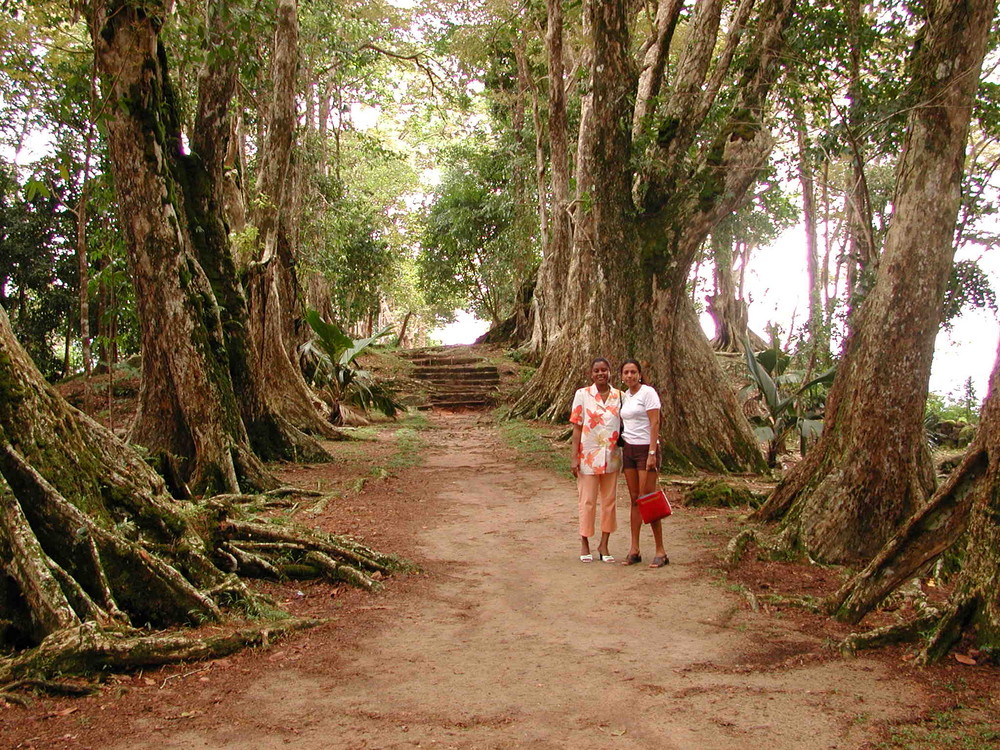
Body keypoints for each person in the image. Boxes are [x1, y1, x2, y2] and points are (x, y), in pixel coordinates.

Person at [569, 358, 622, 563]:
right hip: (588, 456)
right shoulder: (582, 395)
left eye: (604, 370)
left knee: (609, 501)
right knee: (587, 500)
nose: (601, 373)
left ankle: (604, 543)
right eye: (597, 370)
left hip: (612, 456)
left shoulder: (619, 396)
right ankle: (585, 542)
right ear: (591, 374)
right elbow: (577, 427)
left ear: (610, 372)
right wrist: (574, 457)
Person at [619, 359, 669, 568]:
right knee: (634, 499)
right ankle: (634, 549)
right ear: (622, 376)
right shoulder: (625, 397)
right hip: (629, 449)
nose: (629, 376)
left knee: (647, 498)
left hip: (645, 449)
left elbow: (655, 422)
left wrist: (651, 453)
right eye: (626, 373)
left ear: (639, 374)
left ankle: (660, 551)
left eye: (633, 372)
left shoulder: (647, 393)